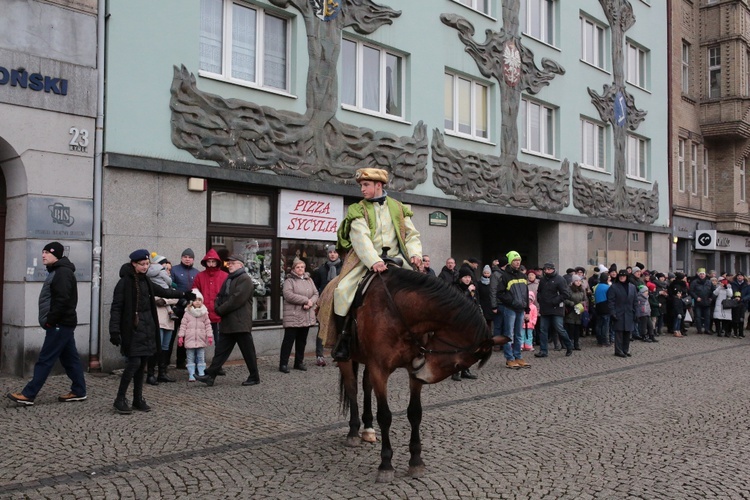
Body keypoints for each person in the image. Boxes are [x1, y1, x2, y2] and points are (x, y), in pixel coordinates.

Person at [330, 167, 422, 362]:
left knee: (424, 290)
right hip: (367, 262)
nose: (362, 189)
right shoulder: (357, 209)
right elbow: (360, 238)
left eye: (366, 185)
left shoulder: (398, 207)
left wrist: (415, 254)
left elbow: (412, 234)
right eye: (362, 185)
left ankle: (421, 340)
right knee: (342, 291)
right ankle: (343, 339)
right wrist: (374, 261)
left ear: (378, 185)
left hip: (397, 261)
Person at [109, 249, 191, 414]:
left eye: (147, 264)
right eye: (142, 264)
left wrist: (183, 294)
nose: (145, 267)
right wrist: (114, 331)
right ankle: (120, 398)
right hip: (133, 330)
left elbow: (164, 291)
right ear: (134, 264)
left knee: (141, 366)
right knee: (133, 364)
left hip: (147, 329)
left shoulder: (145, 281)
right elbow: (116, 308)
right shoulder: (124, 282)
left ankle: (137, 399)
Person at [7, 242, 86, 406]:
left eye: (47, 253)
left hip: (59, 324)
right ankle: (79, 391)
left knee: (45, 359)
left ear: (56, 255)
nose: (43, 255)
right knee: (70, 360)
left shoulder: (62, 273)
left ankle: (29, 394)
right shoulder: (59, 271)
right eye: (42, 252)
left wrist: (51, 321)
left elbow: (62, 300)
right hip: (63, 323)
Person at [197, 254, 260, 387]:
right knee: (220, 351)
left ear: (241, 265)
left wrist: (220, 310)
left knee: (248, 352)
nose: (229, 265)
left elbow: (235, 300)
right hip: (228, 322)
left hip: (239, 323)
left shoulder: (244, 279)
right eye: (228, 263)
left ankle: (254, 376)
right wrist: (216, 305)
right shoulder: (229, 278)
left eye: (233, 263)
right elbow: (219, 296)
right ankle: (210, 376)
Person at [280, 258, 319, 373]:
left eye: (302, 267)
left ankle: (299, 362)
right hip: (293, 316)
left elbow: (316, 293)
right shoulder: (289, 281)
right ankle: (283, 364)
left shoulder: (309, 279)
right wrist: (305, 300)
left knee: (302, 341)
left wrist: (311, 302)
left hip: (306, 315)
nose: (300, 269)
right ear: (293, 269)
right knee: (288, 341)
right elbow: (288, 295)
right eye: (298, 267)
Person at [193, 248, 228, 374]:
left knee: (220, 343)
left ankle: (218, 365)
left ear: (217, 262)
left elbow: (228, 294)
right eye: (209, 262)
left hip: (219, 314)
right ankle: (198, 365)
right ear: (205, 262)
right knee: (199, 341)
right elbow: (195, 292)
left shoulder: (224, 276)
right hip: (203, 314)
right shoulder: (200, 276)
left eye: (214, 262)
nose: (211, 264)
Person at [145, 253, 178, 385]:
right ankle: (151, 373)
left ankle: (162, 373)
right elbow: (149, 298)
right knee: (155, 347)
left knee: (165, 347)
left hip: (169, 320)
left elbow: (176, 297)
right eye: (166, 269)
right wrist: (163, 300)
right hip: (157, 319)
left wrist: (164, 300)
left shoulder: (170, 286)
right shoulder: (151, 284)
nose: (168, 272)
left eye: (170, 270)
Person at [496, 250, 530, 369]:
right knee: (509, 334)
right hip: (510, 308)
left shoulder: (523, 275)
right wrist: (511, 301)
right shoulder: (504, 276)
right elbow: (499, 293)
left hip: (520, 309)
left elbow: (526, 293)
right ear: (510, 262)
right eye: (515, 260)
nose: (517, 262)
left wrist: (527, 309)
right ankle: (509, 358)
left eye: (519, 260)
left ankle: (518, 356)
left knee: (519, 334)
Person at [168, 248, 200, 370]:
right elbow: (172, 288)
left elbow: (197, 290)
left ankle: (181, 361)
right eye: (185, 256)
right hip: (176, 308)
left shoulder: (196, 272)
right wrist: (182, 300)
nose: (187, 259)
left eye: (190, 257)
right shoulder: (174, 270)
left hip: (190, 309)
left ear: (193, 259)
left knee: (186, 336)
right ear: (181, 258)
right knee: (171, 336)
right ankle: (164, 362)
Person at [534, 263, 574, 358]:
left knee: (559, 328)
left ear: (553, 269)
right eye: (545, 269)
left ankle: (569, 346)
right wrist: (540, 299)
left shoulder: (560, 279)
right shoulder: (543, 280)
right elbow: (539, 291)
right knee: (543, 330)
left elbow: (565, 294)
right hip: (545, 308)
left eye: (548, 269)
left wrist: (554, 301)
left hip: (556, 308)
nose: (546, 271)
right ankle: (543, 351)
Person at [312, 244, 341, 366]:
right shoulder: (321, 270)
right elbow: (315, 286)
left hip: (340, 302)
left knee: (340, 328)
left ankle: (338, 354)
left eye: (334, 252)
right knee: (322, 328)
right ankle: (319, 355)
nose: (332, 254)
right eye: (330, 252)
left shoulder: (344, 268)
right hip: (324, 303)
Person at [449, 267, 480, 381]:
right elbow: (458, 302)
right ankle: (455, 370)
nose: (467, 279)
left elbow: (475, 302)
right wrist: (467, 292)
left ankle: (465, 369)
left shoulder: (472, 288)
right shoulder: (455, 287)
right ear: (461, 278)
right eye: (465, 277)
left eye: (469, 277)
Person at [177, 289, 213, 381]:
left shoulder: (204, 313)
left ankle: (201, 373)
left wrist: (209, 335)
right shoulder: (187, 313)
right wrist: (181, 336)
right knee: (190, 357)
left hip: (200, 339)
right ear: (192, 301)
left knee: (201, 357)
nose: (198, 302)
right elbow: (183, 325)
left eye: (199, 300)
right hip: (190, 339)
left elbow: (208, 325)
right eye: (196, 300)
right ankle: (192, 374)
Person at [608, 269, 637, 357]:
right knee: (619, 333)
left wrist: (636, 313)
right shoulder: (614, 287)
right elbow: (611, 301)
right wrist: (612, 312)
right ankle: (618, 350)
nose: (622, 277)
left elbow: (635, 301)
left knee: (627, 333)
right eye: (620, 276)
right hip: (619, 312)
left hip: (629, 312)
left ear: (627, 277)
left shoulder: (632, 287)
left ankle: (625, 350)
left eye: (623, 276)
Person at [564, 275, 587, 350]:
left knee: (577, 329)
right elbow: (565, 299)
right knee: (570, 328)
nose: (578, 282)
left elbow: (585, 299)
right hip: (570, 311)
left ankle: (576, 344)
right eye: (577, 281)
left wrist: (583, 303)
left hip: (579, 310)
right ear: (573, 281)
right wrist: (571, 303)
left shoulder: (582, 290)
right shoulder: (569, 289)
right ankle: (569, 343)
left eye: (579, 281)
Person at [689, 268, 714, 335]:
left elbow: (713, 291)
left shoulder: (709, 282)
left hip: (707, 302)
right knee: (698, 316)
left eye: (703, 274)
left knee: (707, 317)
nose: (702, 275)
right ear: (698, 275)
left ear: (705, 274)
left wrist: (711, 298)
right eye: (700, 274)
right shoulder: (694, 282)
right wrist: (696, 297)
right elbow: (691, 291)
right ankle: (699, 329)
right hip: (698, 302)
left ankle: (707, 329)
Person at [476, 264, 495, 331]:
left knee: (489, 322)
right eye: (485, 273)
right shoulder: (479, 283)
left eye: (488, 273)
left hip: (490, 304)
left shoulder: (493, 283)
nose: (486, 274)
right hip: (482, 304)